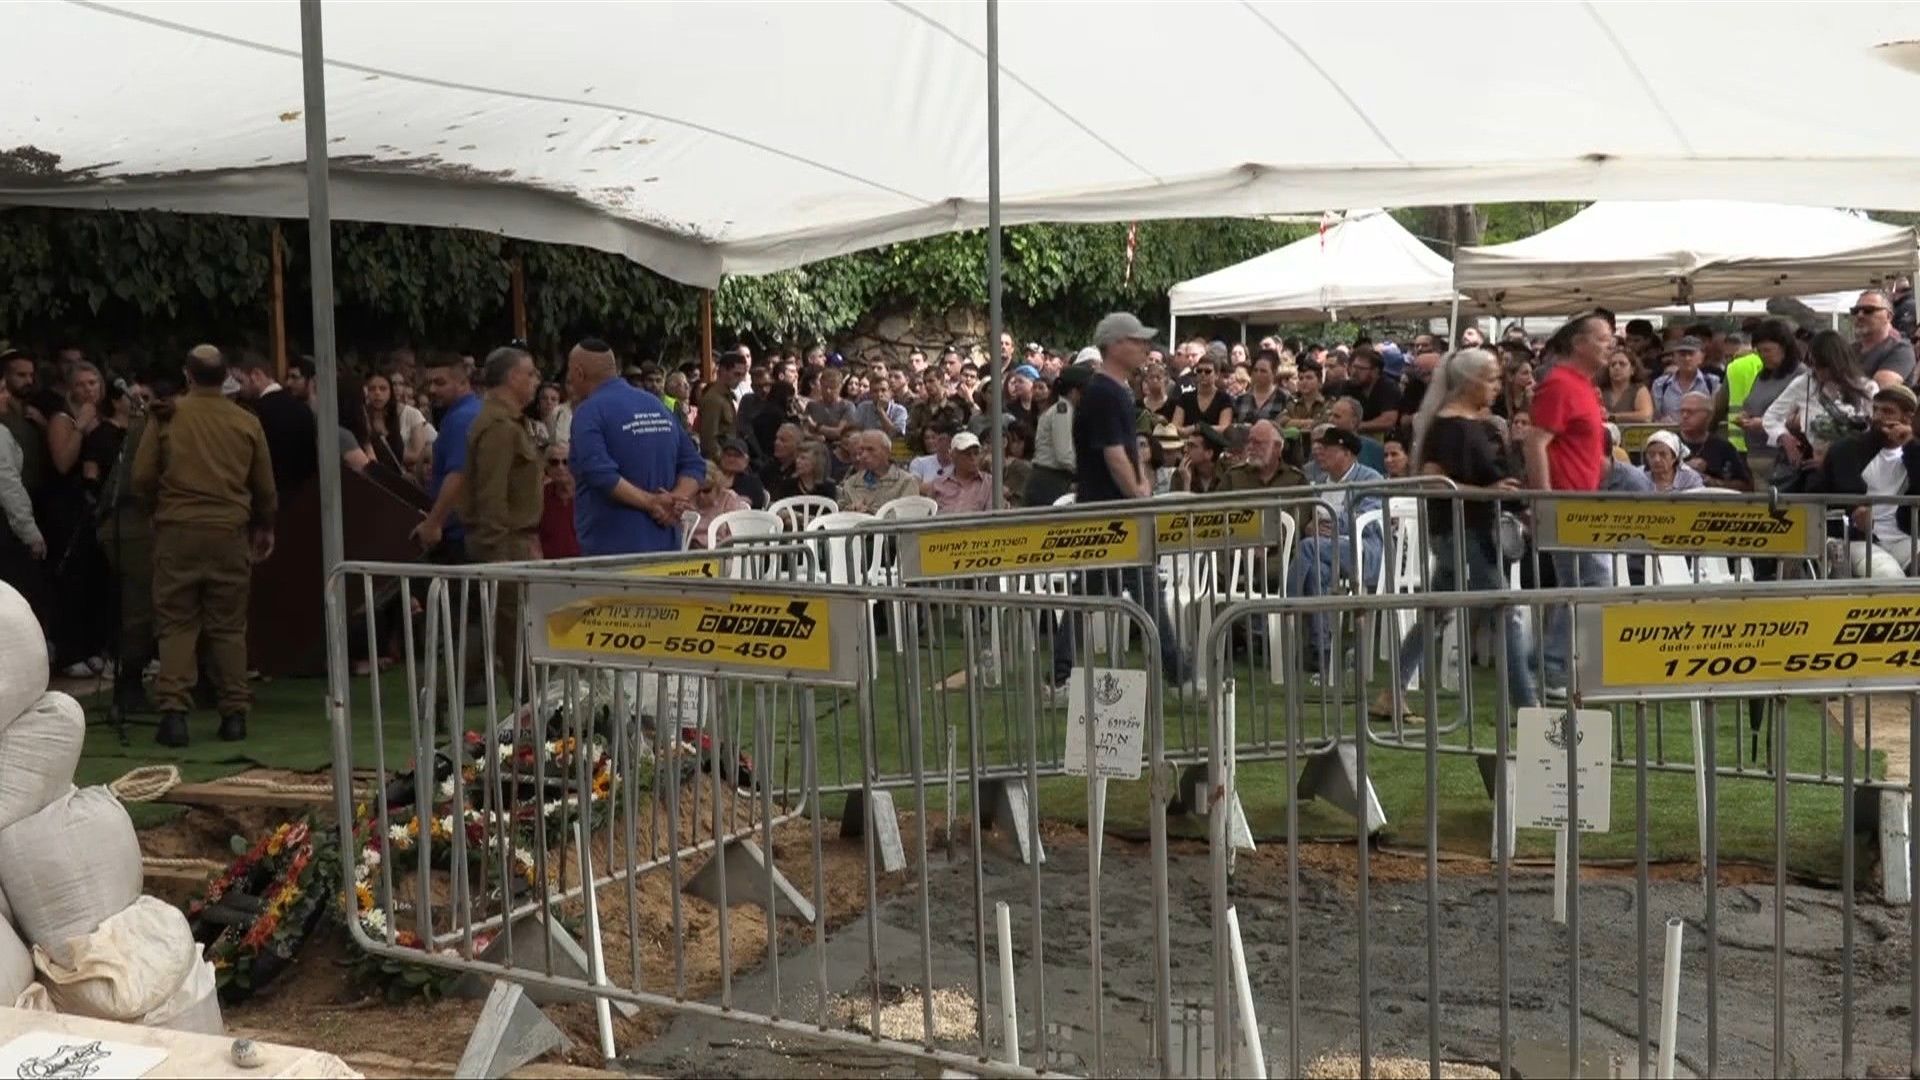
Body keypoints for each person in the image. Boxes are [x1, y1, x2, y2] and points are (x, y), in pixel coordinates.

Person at [1376, 347, 1538, 720]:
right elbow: (1435, 483)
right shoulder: (1449, 427)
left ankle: (1393, 691)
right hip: (1463, 530)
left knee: (1436, 610)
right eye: (1493, 378)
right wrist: (1489, 494)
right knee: (1505, 611)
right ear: (1470, 382)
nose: (1498, 386)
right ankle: (1527, 705)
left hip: (1466, 529)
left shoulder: (1466, 422)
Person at [131, 345, 276, 748]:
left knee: (177, 623)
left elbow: (141, 478)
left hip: (176, 530)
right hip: (230, 532)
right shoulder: (246, 421)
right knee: (228, 626)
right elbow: (264, 487)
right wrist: (263, 526)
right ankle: (234, 715)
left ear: (187, 374)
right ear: (227, 375)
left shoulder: (165, 416)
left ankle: (174, 715)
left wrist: (154, 511)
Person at [1049, 313, 1188, 693]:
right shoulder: (1106, 392)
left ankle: (1061, 675)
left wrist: (1141, 487)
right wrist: (1138, 494)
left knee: (1096, 595)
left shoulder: (1115, 391)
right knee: (1139, 595)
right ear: (1114, 345)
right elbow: (1113, 454)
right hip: (1112, 513)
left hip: (1113, 510)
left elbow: (1127, 451)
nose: (1144, 347)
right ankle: (1178, 675)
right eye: (1136, 340)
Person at [1526, 314, 1614, 701]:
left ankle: (1554, 664)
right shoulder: (1561, 384)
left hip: (1580, 501)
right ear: (1579, 343)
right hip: (1565, 502)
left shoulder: (1581, 385)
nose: (1610, 345)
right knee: (1589, 582)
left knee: (1583, 582)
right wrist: (1544, 497)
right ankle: (1552, 666)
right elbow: (1535, 442)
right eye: (1603, 338)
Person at [567, 338, 705, 556]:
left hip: (612, 553)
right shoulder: (655, 405)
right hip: (666, 546)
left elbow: (599, 473)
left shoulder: (588, 412)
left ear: (578, 372)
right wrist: (675, 499)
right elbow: (694, 464)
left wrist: (654, 503)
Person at [461, 345, 544, 678]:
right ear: (513, 377)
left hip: (515, 539)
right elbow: (491, 493)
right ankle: (530, 712)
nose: (537, 381)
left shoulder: (508, 421)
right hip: (504, 543)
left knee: (499, 629)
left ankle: (437, 693)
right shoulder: (499, 426)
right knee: (515, 638)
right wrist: (496, 549)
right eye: (531, 373)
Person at [1288, 427, 1384, 674]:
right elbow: (1312, 522)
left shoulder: (1370, 479)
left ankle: (1285, 608)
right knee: (1317, 570)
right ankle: (1323, 650)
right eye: (1318, 447)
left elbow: (1369, 521)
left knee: (1308, 548)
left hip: (1363, 552)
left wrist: (1333, 524)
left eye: (1327, 448)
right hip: (1325, 553)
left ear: (1346, 453)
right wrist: (1311, 526)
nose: (1320, 452)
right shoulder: (1320, 483)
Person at [1816, 384, 1920, 577]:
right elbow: (1835, 492)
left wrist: (1910, 446)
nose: (1878, 417)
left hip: (1904, 535)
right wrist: (1854, 511)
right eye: (1875, 410)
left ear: (1907, 418)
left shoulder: (1914, 451)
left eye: (1888, 411)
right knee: (1888, 575)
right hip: (1860, 538)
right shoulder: (1848, 449)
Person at [1763, 329, 1875, 480]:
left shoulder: (1867, 388)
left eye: (1823, 366)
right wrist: (1784, 438)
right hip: (1817, 472)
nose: (1818, 372)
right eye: (1813, 365)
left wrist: (1833, 460)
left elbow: (1875, 432)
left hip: (1859, 470)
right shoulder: (1804, 383)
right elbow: (1771, 417)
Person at [412, 352, 481, 561]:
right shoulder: (468, 411)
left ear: (462, 382)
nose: (432, 390)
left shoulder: (462, 418)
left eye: (440, 383)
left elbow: (458, 476)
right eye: (429, 383)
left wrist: (434, 523)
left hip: (461, 537)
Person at [1728, 320, 1799, 453]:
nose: (1763, 356)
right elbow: (1751, 404)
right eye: (1759, 351)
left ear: (1784, 348)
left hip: (1783, 454)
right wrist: (1745, 416)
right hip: (1755, 451)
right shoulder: (1762, 375)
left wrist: (1764, 424)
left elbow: (1804, 417)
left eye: (1767, 350)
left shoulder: (1800, 375)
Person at [1027, 365, 1083, 506]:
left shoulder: (1062, 407)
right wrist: (1085, 471)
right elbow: (1064, 455)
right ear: (1075, 391)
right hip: (1050, 479)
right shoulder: (1062, 410)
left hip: (1050, 478)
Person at [1674, 392, 1751, 491]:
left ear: (1709, 416)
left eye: (1690, 412)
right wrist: (1684, 468)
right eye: (1682, 411)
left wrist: (1715, 483)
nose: (1684, 416)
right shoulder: (1666, 443)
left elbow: (1746, 486)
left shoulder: (1724, 448)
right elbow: (1649, 478)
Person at [836, 430, 918, 512]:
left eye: (870, 449)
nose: (864, 455)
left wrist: (870, 513)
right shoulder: (851, 483)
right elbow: (838, 513)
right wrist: (850, 510)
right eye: (862, 450)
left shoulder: (906, 482)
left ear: (886, 452)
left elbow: (908, 518)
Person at [1852, 289, 1916, 389]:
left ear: (1888, 316)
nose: (1860, 315)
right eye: (1855, 311)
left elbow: (1877, 390)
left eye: (1868, 310)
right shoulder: (1850, 350)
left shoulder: (1901, 350)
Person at [1650, 336, 1721, 422]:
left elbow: (1717, 413)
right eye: (1682, 354)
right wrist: (1661, 420)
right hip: (1670, 432)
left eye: (1691, 354)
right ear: (1674, 357)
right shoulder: (1660, 384)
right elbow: (1654, 415)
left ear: (1702, 357)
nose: (1687, 358)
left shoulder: (1713, 383)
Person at [687, 460, 751, 549]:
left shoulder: (729, 500)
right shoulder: (687, 500)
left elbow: (737, 536)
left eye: (706, 491)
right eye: (696, 491)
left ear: (717, 487)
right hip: (689, 553)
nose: (701, 496)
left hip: (721, 554)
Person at [926, 430, 992, 514]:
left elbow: (993, 517)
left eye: (976, 453)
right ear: (953, 456)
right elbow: (927, 517)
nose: (972, 458)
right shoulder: (937, 484)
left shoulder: (989, 483)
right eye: (967, 454)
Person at [537, 441, 581, 559]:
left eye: (566, 462)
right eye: (554, 462)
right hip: (549, 569)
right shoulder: (539, 497)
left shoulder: (589, 497)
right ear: (547, 467)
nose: (560, 467)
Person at [1345, 347, 1402, 437]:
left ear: (1375, 371)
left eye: (1361, 368)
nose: (1354, 372)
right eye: (1354, 367)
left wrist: (1356, 426)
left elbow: (1388, 421)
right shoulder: (1348, 386)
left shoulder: (1388, 387)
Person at [697, 353, 744, 460]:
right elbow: (709, 440)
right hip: (719, 463)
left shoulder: (726, 396)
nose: (740, 379)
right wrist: (722, 462)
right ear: (722, 371)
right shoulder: (714, 399)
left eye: (742, 375)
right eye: (736, 374)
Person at [1174, 349, 1234, 434]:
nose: (1202, 374)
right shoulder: (1185, 398)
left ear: (1217, 375)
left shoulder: (1224, 399)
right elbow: (1175, 427)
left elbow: (1224, 428)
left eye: (1208, 371)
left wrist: (1197, 428)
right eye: (1199, 371)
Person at [1326, 397, 1388, 475]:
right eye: (1330, 415)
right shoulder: (1322, 446)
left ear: (1353, 422)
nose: (1330, 420)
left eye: (1337, 416)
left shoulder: (1374, 449)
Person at [1599, 348, 1653, 424]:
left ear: (1632, 370)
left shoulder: (1639, 389)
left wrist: (1613, 417)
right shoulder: (1601, 390)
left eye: (1622, 364)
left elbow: (1646, 416)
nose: (1616, 367)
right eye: (1613, 364)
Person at [717, 436, 768, 509]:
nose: (731, 459)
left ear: (746, 460)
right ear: (721, 457)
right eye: (728, 455)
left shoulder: (752, 481)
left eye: (737, 456)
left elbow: (757, 503)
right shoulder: (713, 477)